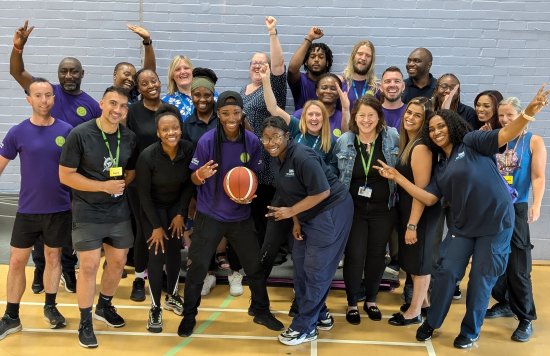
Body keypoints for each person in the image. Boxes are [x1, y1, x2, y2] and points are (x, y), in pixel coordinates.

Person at [375, 85, 549, 349]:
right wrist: (397, 177)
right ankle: (431, 322)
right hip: (463, 227)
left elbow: (504, 134)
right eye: (431, 129)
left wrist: (528, 113)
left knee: (481, 280)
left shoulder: (472, 142)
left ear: (452, 125)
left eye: (441, 126)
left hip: (495, 224)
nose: (436, 132)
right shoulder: (440, 167)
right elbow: (429, 197)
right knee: (445, 272)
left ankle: (470, 331)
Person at [177, 91, 283, 337]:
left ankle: (261, 310)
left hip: (240, 217)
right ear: (218, 115)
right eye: (225, 113)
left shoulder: (252, 142)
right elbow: (192, 177)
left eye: (236, 112)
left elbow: (253, 178)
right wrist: (199, 176)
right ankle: (189, 315)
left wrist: (250, 192)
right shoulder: (206, 142)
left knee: (254, 267)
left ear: (242, 113)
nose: (231, 117)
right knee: (197, 270)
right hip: (209, 216)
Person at [10, 19, 96, 295]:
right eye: (64, 71)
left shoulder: (91, 106)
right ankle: (40, 273)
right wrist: (18, 48)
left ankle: (68, 272)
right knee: (41, 229)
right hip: (45, 174)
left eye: (73, 71)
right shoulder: (47, 92)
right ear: (58, 75)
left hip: (72, 178)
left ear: (82, 73)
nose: (68, 75)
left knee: (65, 231)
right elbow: (17, 71)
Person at [260, 116, 353, 346]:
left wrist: (291, 212)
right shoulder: (277, 158)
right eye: (266, 138)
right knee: (300, 266)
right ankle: (320, 315)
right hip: (307, 213)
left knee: (316, 270)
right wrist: (296, 221)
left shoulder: (302, 156)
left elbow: (322, 192)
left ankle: (305, 328)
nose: (271, 142)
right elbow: (295, 192)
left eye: (276, 137)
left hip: (332, 210)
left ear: (287, 137)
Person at [59, 86, 137, 348]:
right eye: (113, 103)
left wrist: (121, 182)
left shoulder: (128, 137)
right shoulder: (79, 134)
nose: (117, 110)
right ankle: (85, 321)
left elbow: (131, 171)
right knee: (90, 265)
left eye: (123, 106)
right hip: (87, 210)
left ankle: (104, 306)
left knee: (118, 262)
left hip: (117, 211)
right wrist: (103, 186)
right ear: (102, 103)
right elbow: (66, 175)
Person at [0, 78, 73, 341]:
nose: (44, 100)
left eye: (48, 95)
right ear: (28, 100)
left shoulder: (67, 131)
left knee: (54, 258)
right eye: (38, 96)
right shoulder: (17, 132)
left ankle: (51, 307)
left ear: (54, 99)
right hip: (28, 211)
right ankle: (11, 316)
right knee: (17, 261)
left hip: (59, 210)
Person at [330, 95, 399, 325]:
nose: (366, 120)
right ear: (354, 118)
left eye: (371, 115)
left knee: (377, 256)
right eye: (362, 115)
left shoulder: (391, 138)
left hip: (384, 210)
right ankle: (352, 302)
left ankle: (371, 299)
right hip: (354, 210)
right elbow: (333, 171)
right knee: (355, 256)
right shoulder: (346, 140)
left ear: (379, 116)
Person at [485, 97, 547, 342]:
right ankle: (507, 302)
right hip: (492, 210)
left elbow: (539, 177)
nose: (505, 120)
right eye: (502, 116)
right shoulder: (496, 139)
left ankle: (525, 318)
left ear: (522, 114)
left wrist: (537, 204)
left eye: (510, 115)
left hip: (517, 208)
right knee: (492, 262)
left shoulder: (533, 141)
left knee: (519, 267)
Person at [136, 105, 194, 333]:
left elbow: (189, 184)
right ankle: (155, 307)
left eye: (175, 128)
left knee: (174, 250)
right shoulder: (147, 156)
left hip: (174, 208)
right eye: (166, 129)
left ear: (180, 129)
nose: (171, 133)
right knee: (157, 253)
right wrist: (156, 227)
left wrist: (181, 213)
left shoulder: (188, 149)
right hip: (152, 209)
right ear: (158, 133)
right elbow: (143, 195)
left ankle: (172, 295)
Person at [239, 16, 286, 282]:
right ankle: (254, 256)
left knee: (267, 209)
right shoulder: (242, 91)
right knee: (252, 210)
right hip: (248, 160)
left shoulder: (274, 87)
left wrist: (272, 33)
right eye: (254, 63)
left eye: (263, 63)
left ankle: (268, 257)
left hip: (269, 159)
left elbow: (278, 63)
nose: (258, 66)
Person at [387, 97, 441, 326]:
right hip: (411, 211)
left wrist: (412, 225)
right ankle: (424, 303)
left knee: (420, 265)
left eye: (417, 115)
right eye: (409, 112)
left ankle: (414, 311)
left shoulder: (420, 147)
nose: (410, 117)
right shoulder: (408, 142)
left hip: (420, 214)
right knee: (415, 261)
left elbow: (421, 191)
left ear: (425, 120)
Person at [125, 69, 167, 302]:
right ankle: (140, 277)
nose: (150, 85)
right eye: (144, 83)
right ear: (138, 89)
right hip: (139, 182)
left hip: (166, 181)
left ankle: (160, 275)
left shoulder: (168, 110)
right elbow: (126, 144)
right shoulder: (132, 112)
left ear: (160, 82)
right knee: (144, 230)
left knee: (163, 229)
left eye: (153, 80)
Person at [292, 72, 350, 141]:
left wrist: (346, 109)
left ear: (338, 93)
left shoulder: (343, 117)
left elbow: (347, 141)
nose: (328, 91)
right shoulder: (300, 114)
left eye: (333, 88)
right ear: (317, 92)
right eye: (324, 88)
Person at [287, 26, 333, 110]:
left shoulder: (332, 82)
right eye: (312, 56)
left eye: (321, 57)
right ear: (305, 61)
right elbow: (292, 69)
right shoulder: (300, 80)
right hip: (301, 122)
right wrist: (309, 38)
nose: (316, 60)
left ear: (327, 62)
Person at [112, 24, 156, 104]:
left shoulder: (132, 94)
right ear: (115, 75)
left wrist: (147, 41)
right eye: (126, 74)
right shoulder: (109, 97)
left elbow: (149, 73)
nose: (130, 79)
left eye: (133, 77)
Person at [341, 40, 378, 108]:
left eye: (368, 55)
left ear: (372, 60)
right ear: (353, 56)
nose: (363, 58)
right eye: (360, 54)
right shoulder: (341, 83)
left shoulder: (376, 88)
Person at [380, 66, 407, 131]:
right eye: (387, 81)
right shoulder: (374, 112)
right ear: (381, 87)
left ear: (403, 86)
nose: (392, 85)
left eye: (397, 81)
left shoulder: (410, 113)